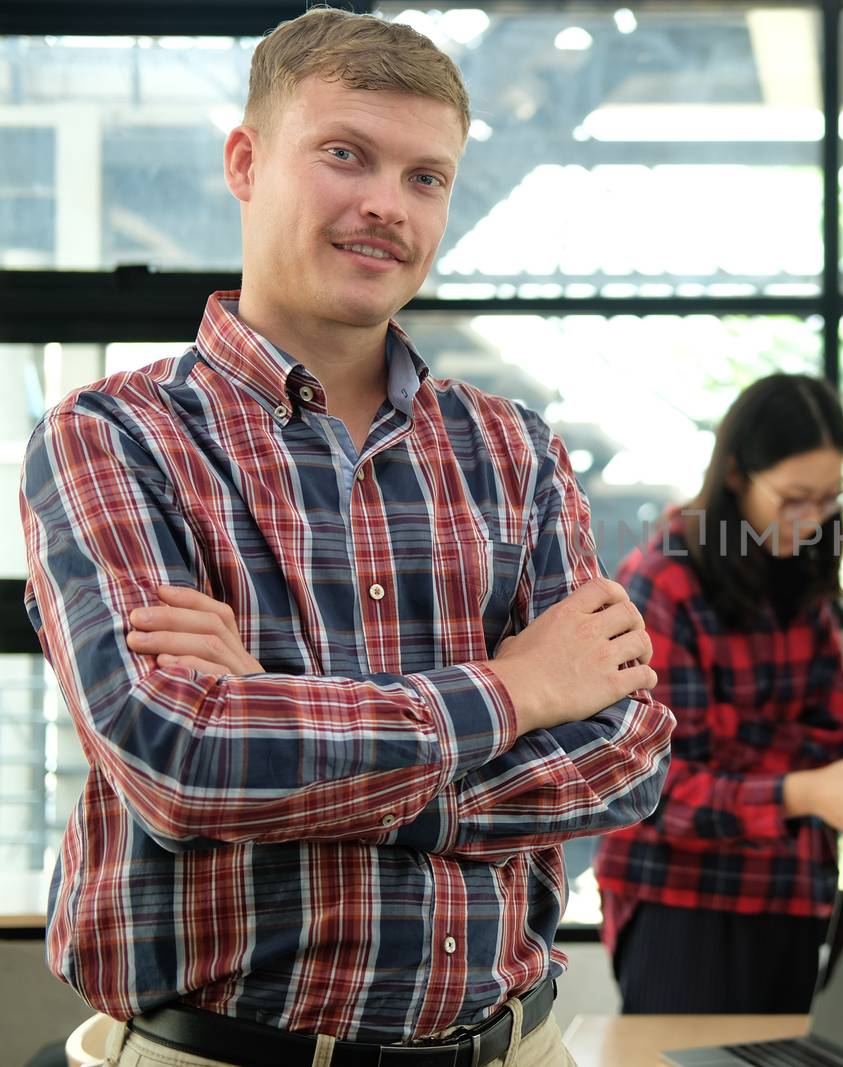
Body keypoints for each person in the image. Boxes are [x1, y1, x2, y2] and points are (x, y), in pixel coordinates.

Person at [19, 10, 674, 1066]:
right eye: (345, 155)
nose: (386, 204)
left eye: (426, 176)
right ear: (244, 160)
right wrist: (511, 693)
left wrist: (283, 737)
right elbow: (185, 759)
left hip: (516, 1048)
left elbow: (626, 756)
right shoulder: (111, 436)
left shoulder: (518, 452)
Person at [595, 374, 843, 1014]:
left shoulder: (801, 572)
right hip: (682, 904)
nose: (812, 519)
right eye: (793, 498)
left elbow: (835, 731)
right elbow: (657, 791)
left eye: (827, 498)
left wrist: (737, 754)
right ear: (736, 475)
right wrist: (801, 789)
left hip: (791, 893)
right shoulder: (662, 584)